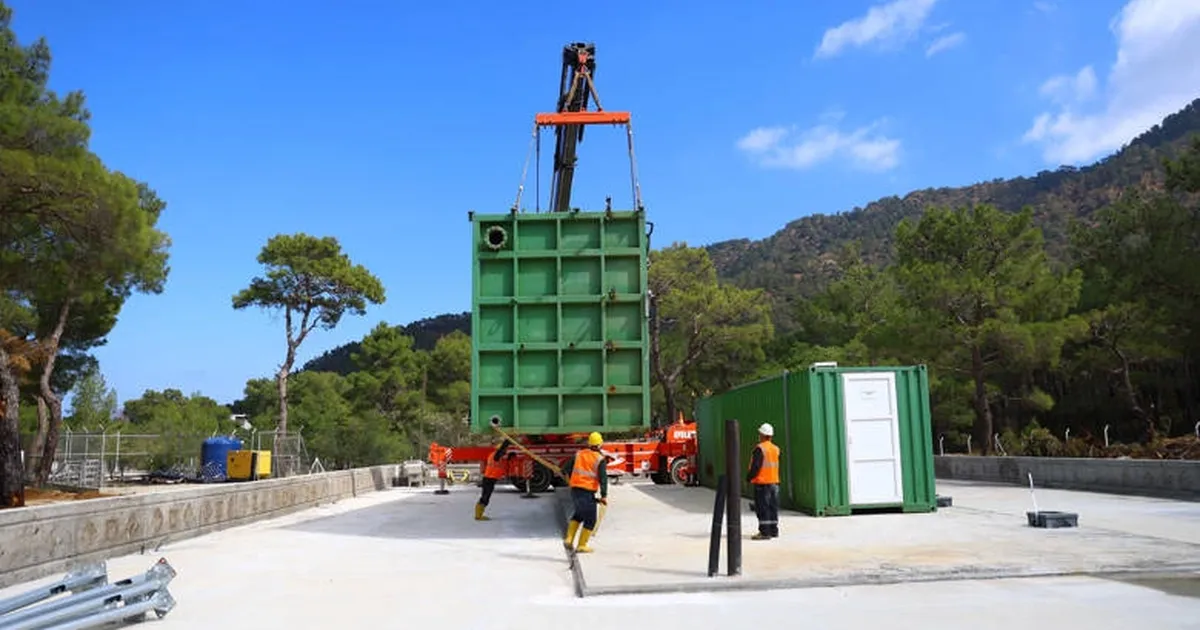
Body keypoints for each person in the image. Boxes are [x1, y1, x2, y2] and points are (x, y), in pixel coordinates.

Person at [560, 431, 608, 553]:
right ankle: (582, 545)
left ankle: (569, 539)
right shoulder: (600, 459)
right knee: (591, 519)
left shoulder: (579, 454)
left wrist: (571, 480)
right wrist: (604, 496)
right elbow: (603, 479)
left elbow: (565, 469)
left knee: (579, 514)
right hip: (587, 492)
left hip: (575, 490)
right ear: (599, 445)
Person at [745, 422, 780, 540]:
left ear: (762, 435)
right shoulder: (776, 449)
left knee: (762, 508)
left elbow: (756, 466)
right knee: (772, 507)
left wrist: (749, 478)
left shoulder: (760, 449)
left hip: (762, 483)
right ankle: (773, 530)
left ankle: (764, 532)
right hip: (774, 482)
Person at [475, 438, 512, 521]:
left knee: (486, 497)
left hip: (490, 480)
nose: (505, 452)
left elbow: (500, 465)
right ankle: (478, 515)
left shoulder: (497, 457)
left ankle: (479, 514)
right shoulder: (496, 456)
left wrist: (510, 457)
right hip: (489, 479)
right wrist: (507, 441)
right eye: (504, 451)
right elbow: (501, 450)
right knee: (485, 498)